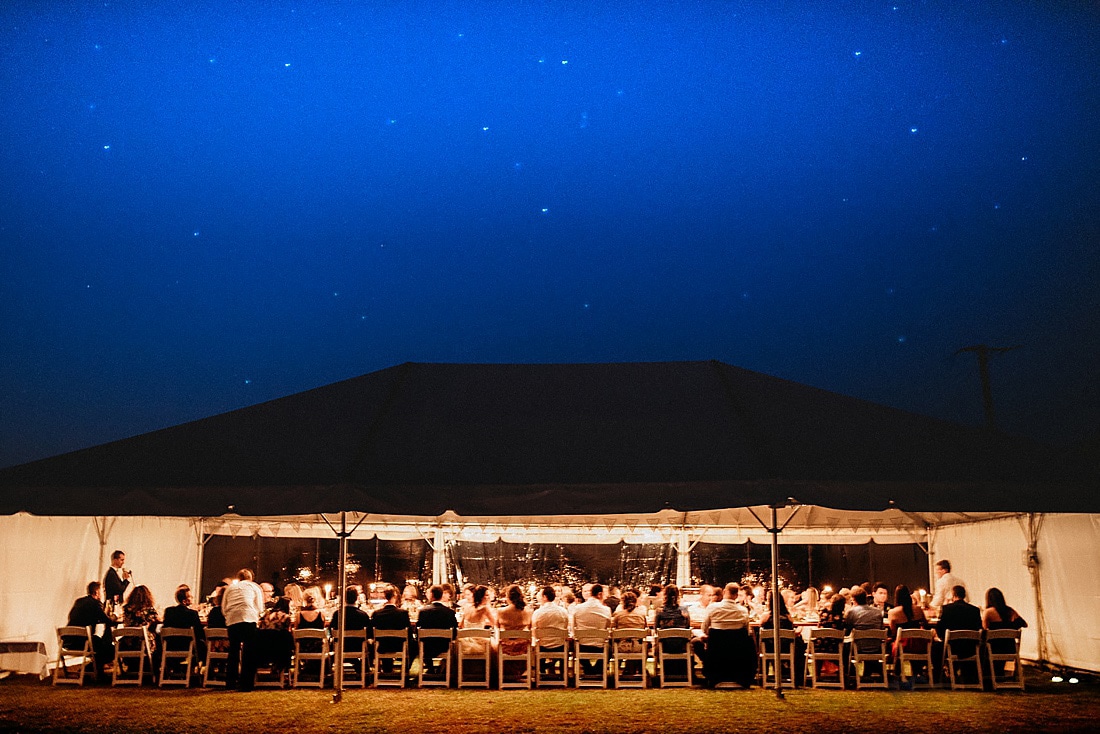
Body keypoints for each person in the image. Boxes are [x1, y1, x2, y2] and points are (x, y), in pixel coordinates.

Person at [698, 582, 755, 688]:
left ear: (724, 592)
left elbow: (704, 628)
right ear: (737, 595)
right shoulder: (743, 611)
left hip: (716, 649)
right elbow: (746, 631)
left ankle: (713, 675)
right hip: (736, 650)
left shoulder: (712, 608)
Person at [221, 568, 265, 691]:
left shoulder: (230, 588)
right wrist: (258, 615)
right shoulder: (254, 587)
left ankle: (230, 682)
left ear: (238, 578)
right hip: (248, 617)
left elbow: (224, 607)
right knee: (248, 651)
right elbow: (260, 607)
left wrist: (229, 617)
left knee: (233, 651)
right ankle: (246, 684)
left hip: (232, 619)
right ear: (251, 578)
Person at [65, 581, 116, 680]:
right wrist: (114, 617)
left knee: (100, 643)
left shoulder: (79, 602)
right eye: (101, 591)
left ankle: (90, 668)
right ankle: (95, 671)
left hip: (68, 641)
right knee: (110, 649)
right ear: (96, 592)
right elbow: (106, 620)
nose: (102, 594)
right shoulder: (96, 603)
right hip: (83, 642)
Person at [935, 584, 982, 682]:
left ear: (953, 595)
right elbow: (979, 628)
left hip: (952, 647)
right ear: (964, 595)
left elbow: (940, 627)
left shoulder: (946, 609)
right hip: (970, 647)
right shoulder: (974, 610)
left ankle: (939, 676)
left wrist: (941, 638)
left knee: (935, 648)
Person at [373, 584, 415, 668]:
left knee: (382, 640)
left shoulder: (377, 613)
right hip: (399, 646)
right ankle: (406, 669)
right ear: (395, 595)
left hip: (382, 647)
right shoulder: (403, 613)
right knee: (414, 645)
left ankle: (386, 668)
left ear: (385, 596)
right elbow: (409, 632)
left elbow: (371, 631)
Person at [162, 585, 206, 665]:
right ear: (184, 601)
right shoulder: (192, 614)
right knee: (202, 645)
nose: (192, 597)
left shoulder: (169, 611)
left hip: (170, 646)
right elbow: (199, 633)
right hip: (187, 647)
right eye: (190, 596)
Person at [496, 584, 532, 681]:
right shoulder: (528, 611)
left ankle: (506, 675)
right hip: (522, 647)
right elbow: (530, 627)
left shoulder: (501, 611)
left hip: (507, 647)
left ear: (508, 597)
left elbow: (497, 627)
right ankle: (517, 674)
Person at [416, 584, 457, 664]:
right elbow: (455, 631)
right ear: (441, 595)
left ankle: (430, 667)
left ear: (431, 595)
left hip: (427, 646)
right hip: (444, 646)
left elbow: (418, 629)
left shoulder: (423, 611)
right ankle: (444, 668)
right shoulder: (449, 612)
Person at [887, 584, 928, 659]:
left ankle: (896, 669)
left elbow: (893, 633)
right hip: (919, 644)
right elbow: (926, 624)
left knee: (888, 644)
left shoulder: (893, 612)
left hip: (903, 645)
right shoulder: (918, 609)